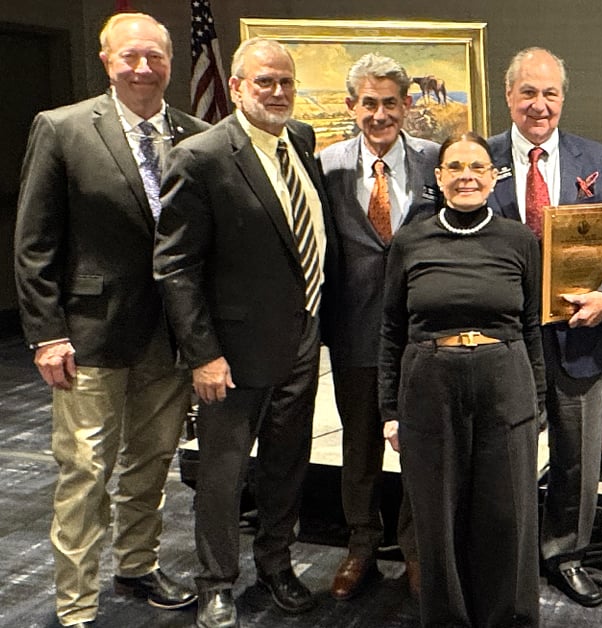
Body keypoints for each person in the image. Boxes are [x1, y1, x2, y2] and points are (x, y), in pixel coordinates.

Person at [13, 12, 207, 627]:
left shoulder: (196, 135)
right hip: (89, 334)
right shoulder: (63, 129)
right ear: (107, 60)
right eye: (131, 57)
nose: (144, 68)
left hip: (170, 335)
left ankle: (138, 563)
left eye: (155, 56)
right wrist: (47, 333)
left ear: (171, 62)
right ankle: (76, 603)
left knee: (152, 460)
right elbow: (34, 243)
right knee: (86, 470)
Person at [154, 37, 336, 628]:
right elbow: (175, 266)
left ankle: (277, 564)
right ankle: (216, 582)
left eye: (286, 81)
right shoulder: (201, 156)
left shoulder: (301, 141)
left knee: (287, 463)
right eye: (265, 82)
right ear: (235, 87)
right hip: (230, 355)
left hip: (301, 341)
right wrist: (203, 354)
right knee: (223, 473)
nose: (278, 92)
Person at [487, 47, 602, 608]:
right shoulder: (477, 160)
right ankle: (504, 554)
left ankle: (566, 553)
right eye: (528, 93)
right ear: (508, 96)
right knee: (502, 453)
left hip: (581, 334)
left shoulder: (597, 161)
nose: (539, 105)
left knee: (576, 456)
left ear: (563, 97)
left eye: (550, 93)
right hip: (502, 341)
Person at [379, 132, 544, 627]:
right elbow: (390, 329)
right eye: (455, 167)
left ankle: (509, 620)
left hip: (505, 382)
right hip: (430, 386)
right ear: (439, 177)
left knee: (507, 516)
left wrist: (535, 402)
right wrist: (390, 411)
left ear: (494, 176)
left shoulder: (519, 240)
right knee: (439, 517)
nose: (467, 176)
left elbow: (532, 325)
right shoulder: (411, 240)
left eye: (478, 166)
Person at [317, 52, 440, 601]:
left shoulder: (437, 161)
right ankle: (361, 546)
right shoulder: (326, 165)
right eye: (369, 103)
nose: (380, 114)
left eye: (391, 103)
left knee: (420, 446)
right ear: (352, 106)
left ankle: (416, 550)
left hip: (422, 336)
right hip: (355, 330)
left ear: (407, 106)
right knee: (359, 447)